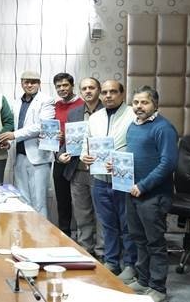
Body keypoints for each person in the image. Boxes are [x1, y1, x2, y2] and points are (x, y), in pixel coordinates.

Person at [124, 86, 178, 302]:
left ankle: (158, 287)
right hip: (132, 192)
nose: (139, 106)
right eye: (136, 102)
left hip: (153, 195)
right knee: (139, 239)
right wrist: (115, 166)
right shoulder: (133, 126)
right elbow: (132, 156)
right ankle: (143, 279)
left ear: (155, 104)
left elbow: (168, 163)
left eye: (144, 102)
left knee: (154, 243)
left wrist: (144, 185)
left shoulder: (164, 128)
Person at [80, 80, 137, 282]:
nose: (108, 96)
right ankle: (111, 261)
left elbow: (139, 145)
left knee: (127, 225)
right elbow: (86, 143)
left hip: (123, 179)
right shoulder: (95, 117)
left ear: (122, 94)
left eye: (113, 92)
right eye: (104, 92)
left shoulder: (133, 115)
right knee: (108, 224)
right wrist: (84, 156)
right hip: (100, 180)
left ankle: (130, 264)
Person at [56, 77, 103, 258]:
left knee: (101, 215)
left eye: (92, 87)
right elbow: (69, 141)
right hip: (77, 170)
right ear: (81, 91)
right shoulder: (74, 113)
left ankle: (102, 252)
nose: (88, 91)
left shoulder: (107, 111)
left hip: (100, 172)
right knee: (82, 214)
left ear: (98, 90)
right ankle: (85, 249)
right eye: (85, 88)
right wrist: (60, 155)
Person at [0, 71, 54, 216]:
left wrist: (14, 135)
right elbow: (15, 126)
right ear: (21, 83)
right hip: (19, 156)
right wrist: (9, 141)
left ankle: (41, 231)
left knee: (39, 203)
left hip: (38, 158)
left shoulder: (47, 100)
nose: (29, 85)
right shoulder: (17, 102)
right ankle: (27, 230)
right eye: (26, 82)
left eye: (33, 82)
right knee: (23, 201)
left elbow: (42, 126)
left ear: (39, 84)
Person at [52, 73, 84, 236]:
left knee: (82, 201)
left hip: (79, 159)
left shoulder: (83, 105)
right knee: (62, 199)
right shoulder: (55, 106)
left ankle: (83, 235)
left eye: (65, 85)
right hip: (60, 157)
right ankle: (64, 233)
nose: (62, 89)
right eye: (58, 86)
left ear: (72, 86)